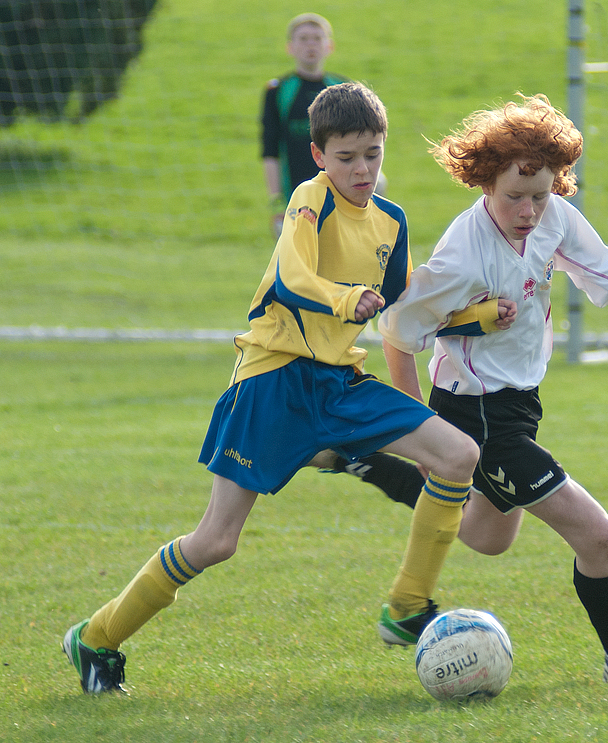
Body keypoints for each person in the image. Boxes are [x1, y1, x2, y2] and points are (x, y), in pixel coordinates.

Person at [62, 82, 479, 694]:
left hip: (338, 383)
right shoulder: (310, 198)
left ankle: (407, 606)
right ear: (318, 156)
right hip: (272, 381)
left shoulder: (391, 221)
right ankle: (95, 637)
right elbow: (290, 276)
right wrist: (344, 300)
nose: (361, 169)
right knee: (216, 541)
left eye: (372, 154)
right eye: (346, 157)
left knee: (459, 454)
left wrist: (476, 315)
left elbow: (405, 302)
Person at [376, 93, 608, 682]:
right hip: (475, 414)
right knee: (599, 537)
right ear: (485, 183)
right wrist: (421, 432)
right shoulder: (462, 256)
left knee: (488, 537)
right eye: (515, 196)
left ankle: (364, 462)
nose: (529, 211)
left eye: (540, 194)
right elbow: (396, 332)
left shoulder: (554, 218)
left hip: (520, 406)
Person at [260, 12, 348, 238]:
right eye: (303, 39)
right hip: (295, 199)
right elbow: (270, 150)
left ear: (329, 46)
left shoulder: (343, 88)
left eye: (317, 38)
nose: (311, 45)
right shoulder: (278, 91)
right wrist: (276, 201)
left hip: (339, 195)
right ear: (290, 47)